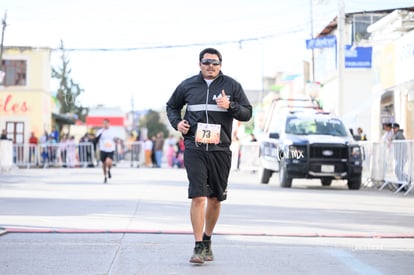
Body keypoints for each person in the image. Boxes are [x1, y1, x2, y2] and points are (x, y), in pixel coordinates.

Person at [166, 48, 252, 264]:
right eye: (207, 62)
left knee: (215, 198)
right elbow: (171, 106)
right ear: (200, 64)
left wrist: (230, 105)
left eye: (215, 63)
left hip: (220, 150)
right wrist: (177, 122)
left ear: (220, 65)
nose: (211, 66)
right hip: (194, 147)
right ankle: (197, 247)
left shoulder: (232, 86)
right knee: (198, 195)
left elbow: (247, 113)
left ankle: (207, 240)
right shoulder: (187, 85)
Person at [96, 119, 117, 183]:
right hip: (103, 149)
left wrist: (116, 140)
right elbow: (96, 139)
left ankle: (109, 170)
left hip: (110, 149)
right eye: (104, 123)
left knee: (109, 162)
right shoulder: (100, 131)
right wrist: (102, 132)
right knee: (104, 164)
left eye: (106, 123)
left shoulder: (112, 131)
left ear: (109, 124)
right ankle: (105, 176)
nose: (105, 125)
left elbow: (115, 139)